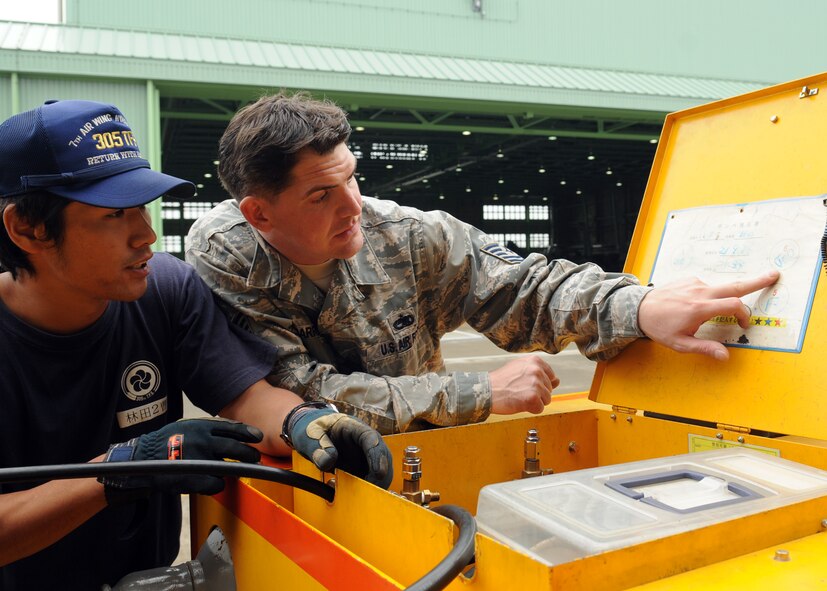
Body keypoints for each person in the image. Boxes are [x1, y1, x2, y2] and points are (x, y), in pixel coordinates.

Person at [185, 92, 780, 435]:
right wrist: (477, 391)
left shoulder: (410, 235)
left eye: (352, 178)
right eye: (321, 195)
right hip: (297, 470)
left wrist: (640, 305)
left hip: (424, 458)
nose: (353, 207)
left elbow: (523, 289)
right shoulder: (227, 255)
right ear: (260, 214)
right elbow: (302, 395)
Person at [0, 99, 392, 590]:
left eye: (142, 207)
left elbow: (246, 397)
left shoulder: (164, 289)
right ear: (27, 229)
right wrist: (122, 468)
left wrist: (303, 422)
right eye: (115, 214)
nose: (146, 234)